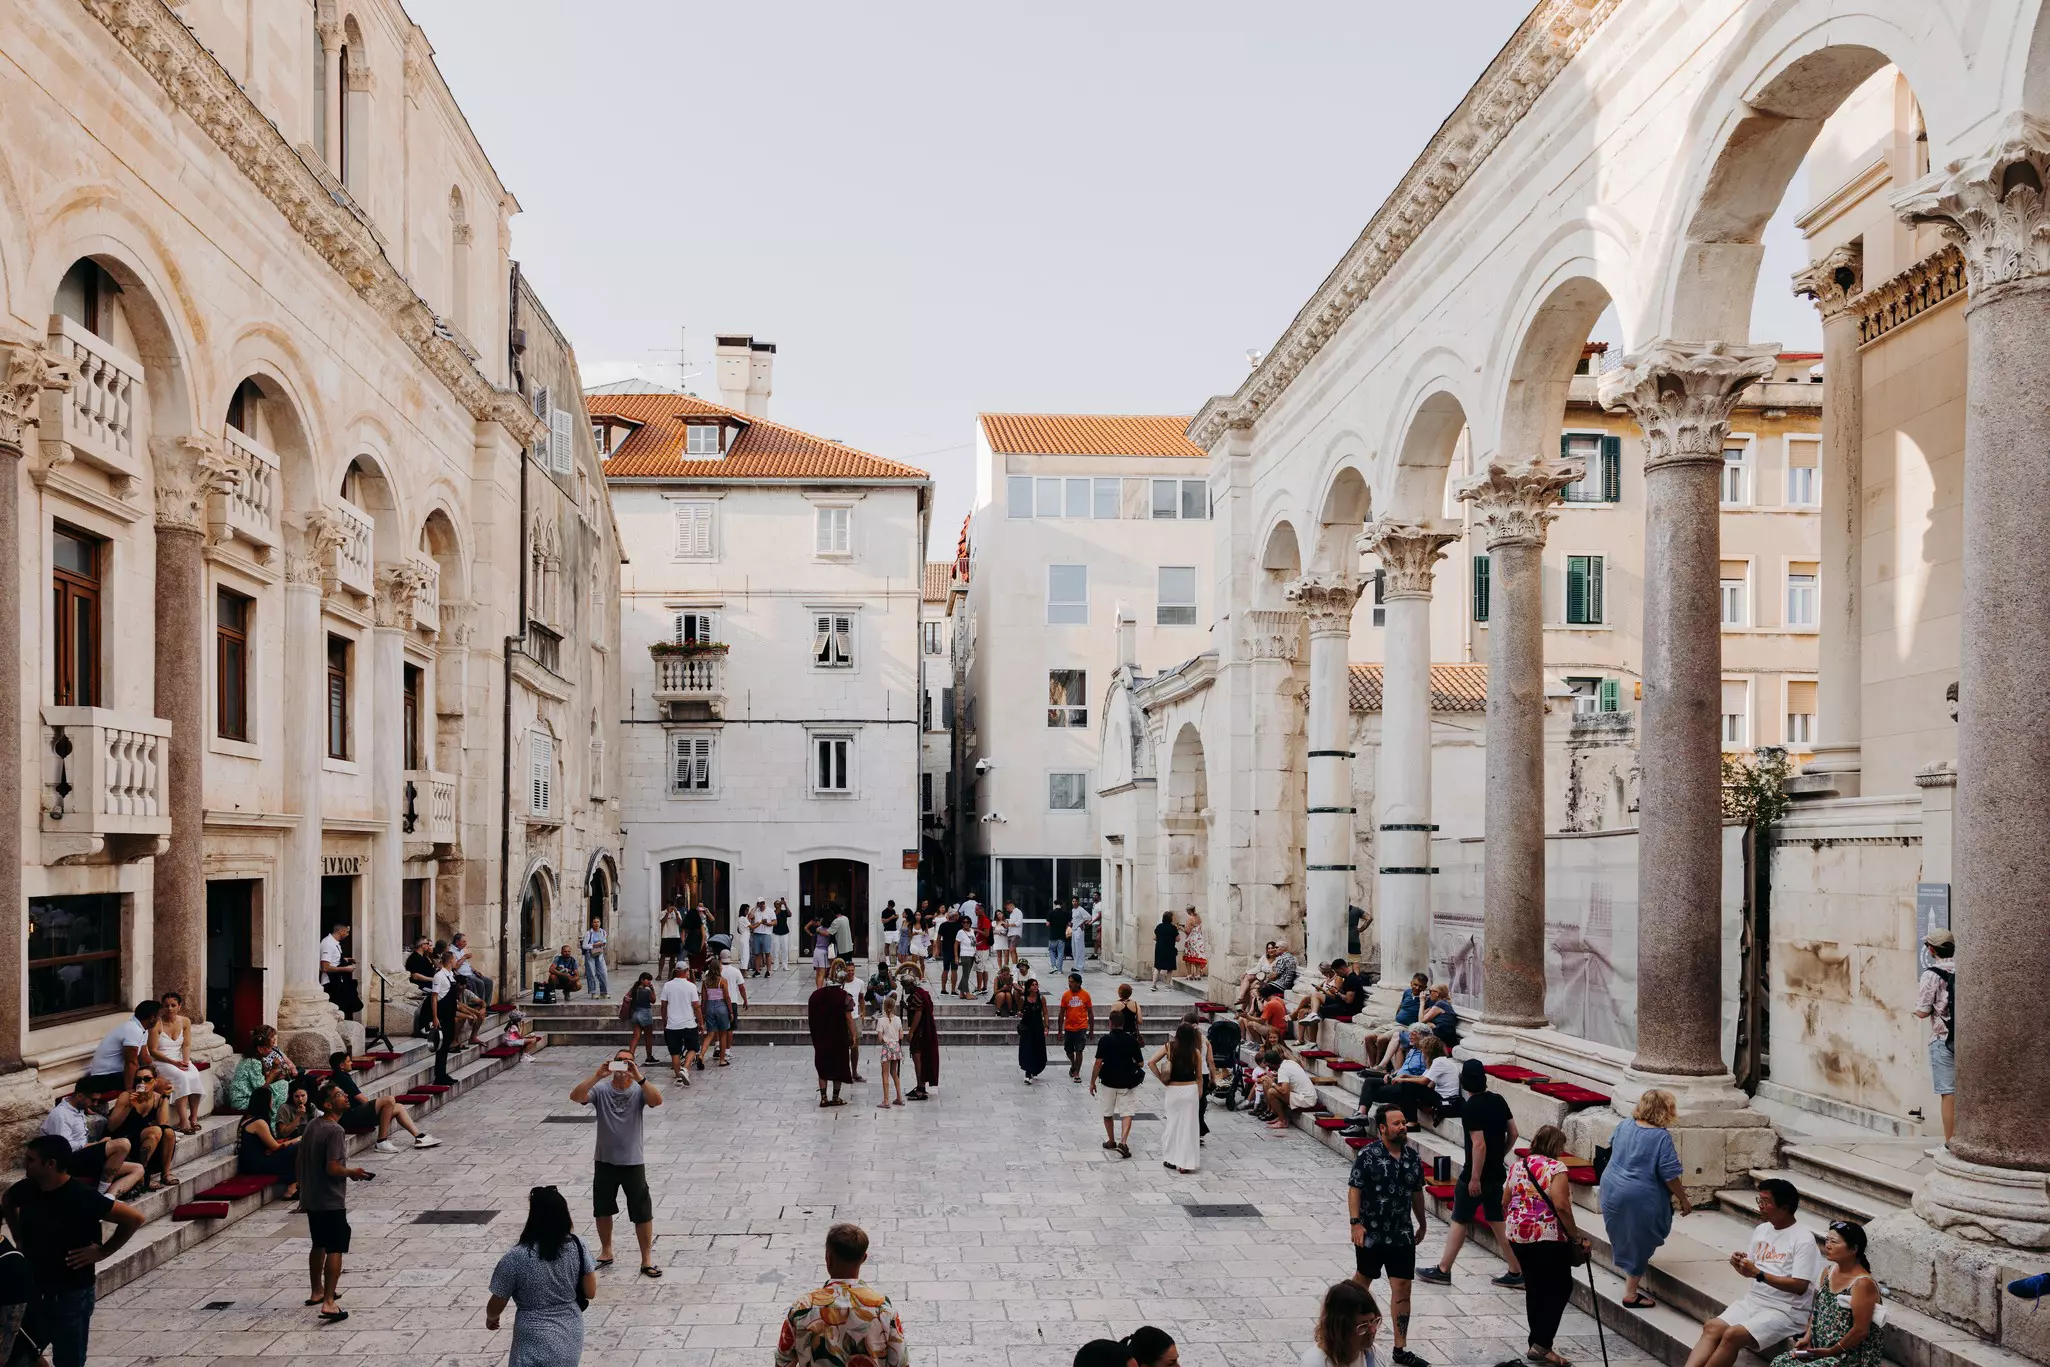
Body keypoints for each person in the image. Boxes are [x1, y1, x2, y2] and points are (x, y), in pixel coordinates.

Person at [3, 1135, 143, 1367]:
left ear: (51, 1164)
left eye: (31, 1160)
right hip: (35, 1287)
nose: (25, 1164)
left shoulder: (81, 1195)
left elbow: (133, 1219)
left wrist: (102, 1252)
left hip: (71, 1293)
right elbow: (7, 1201)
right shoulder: (27, 1189)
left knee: (69, 1359)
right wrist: (19, 1237)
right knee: (22, 1352)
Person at [1683, 1180, 1824, 1367]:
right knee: (1712, 1327)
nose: (1760, 1206)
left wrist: (1758, 1274)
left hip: (1786, 1311)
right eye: (1760, 1200)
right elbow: (1752, 1271)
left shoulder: (1803, 1239)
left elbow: (1799, 1286)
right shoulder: (1762, 1230)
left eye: (1766, 1202)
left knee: (1732, 1335)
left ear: (1784, 1208)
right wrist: (1740, 1264)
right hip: (1754, 1301)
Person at [1418, 1059, 1524, 1287]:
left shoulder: (1471, 1106)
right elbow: (1513, 1133)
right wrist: (1501, 1154)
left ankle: (1443, 1269)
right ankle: (1516, 1271)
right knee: (1496, 1219)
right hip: (1496, 1172)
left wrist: (1474, 1177)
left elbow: (1479, 1144)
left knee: (1459, 1218)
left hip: (1476, 1174)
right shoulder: (1498, 1100)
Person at [1346, 1104, 1429, 1367]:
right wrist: (1355, 1224)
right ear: (1382, 1128)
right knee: (1361, 1285)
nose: (1402, 1127)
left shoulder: (1413, 1157)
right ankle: (1345, 1334)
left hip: (1402, 1234)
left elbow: (1417, 1192)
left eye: (1404, 1122)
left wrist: (1422, 1222)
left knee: (1403, 1289)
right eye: (1396, 1123)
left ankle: (1400, 1348)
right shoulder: (1368, 1155)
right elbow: (1354, 1189)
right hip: (1371, 1233)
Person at [569, 1050, 663, 1278]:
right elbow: (576, 1096)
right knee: (602, 1208)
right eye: (619, 1061)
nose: (623, 1066)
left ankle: (646, 1258)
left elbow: (657, 1100)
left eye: (627, 1061)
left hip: (633, 1160)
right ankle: (606, 1251)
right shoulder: (601, 1089)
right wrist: (597, 1076)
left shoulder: (639, 1090)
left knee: (642, 1211)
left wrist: (638, 1076)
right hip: (605, 1160)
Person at [1505, 1124, 1593, 1367]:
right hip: (1546, 1236)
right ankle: (1542, 1345)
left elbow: (1505, 1199)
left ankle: (1538, 1342)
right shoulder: (1556, 1168)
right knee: (1560, 1286)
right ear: (1557, 1146)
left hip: (1517, 1235)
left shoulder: (1518, 1165)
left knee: (1535, 1286)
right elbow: (1562, 1205)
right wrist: (1575, 1237)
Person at [1599, 1088, 1693, 1307]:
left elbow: (1613, 1148)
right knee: (1641, 1237)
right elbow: (1669, 1175)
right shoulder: (1660, 1137)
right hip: (1638, 1194)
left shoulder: (1624, 1124)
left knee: (1626, 1231)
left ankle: (1628, 1265)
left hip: (1612, 1185)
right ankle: (1630, 1294)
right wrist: (1684, 1199)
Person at [486, 1184, 597, 1367]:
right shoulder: (578, 1246)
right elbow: (591, 1292)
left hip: (531, 1338)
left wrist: (491, 1317)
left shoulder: (516, 1257)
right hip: (568, 1335)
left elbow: (497, 1300)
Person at [774, 1222, 905, 1367]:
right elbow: (900, 1362)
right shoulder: (883, 1310)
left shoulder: (802, 1307)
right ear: (863, 1258)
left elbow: (783, 1361)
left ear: (828, 1258)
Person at [300, 1083, 372, 1321]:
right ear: (328, 1104)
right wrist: (352, 1171)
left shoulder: (312, 1125)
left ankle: (316, 1291)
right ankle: (329, 1302)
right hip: (330, 1199)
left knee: (318, 1243)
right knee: (335, 1247)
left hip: (312, 1196)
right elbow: (333, 1168)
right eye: (340, 1095)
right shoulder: (335, 1130)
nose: (347, 1097)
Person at [1769, 1221, 1883, 1367]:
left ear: (1854, 1249)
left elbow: (1861, 1330)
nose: (1827, 1245)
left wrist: (1831, 1351)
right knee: (1779, 1362)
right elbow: (1818, 1309)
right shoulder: (1828, 1272)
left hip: (1847, 1356)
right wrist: (1807, 1336)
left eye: (1834, 1242)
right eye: (1827, 1240)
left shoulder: (1862, 1284)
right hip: (1821, 1349)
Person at [324, 1050, 439, 1152]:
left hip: (353, 1114)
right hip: (348, 1116)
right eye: (349, 1061)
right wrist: (376, 1109)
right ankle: (381, 1141)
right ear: (341, 1065)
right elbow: (362, 1100)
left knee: (398, 1107)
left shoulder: (340, 1076)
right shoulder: (342, 1078)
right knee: (389, 1100)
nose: (352, 1063)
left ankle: (419, 1136)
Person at [40, 1090, 141, 1195]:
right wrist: (98, 1144)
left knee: (138, 1169)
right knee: (123, 1144)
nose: (95, 1104)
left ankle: (108, 1197)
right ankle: (101, 1193)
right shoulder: (61, 1115)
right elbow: (64, 1148)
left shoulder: (78, 1108)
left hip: (85, 1157)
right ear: (80, 1096)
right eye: (93, 1100)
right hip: (69, 1161)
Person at [1913, 928, 1956, 1150]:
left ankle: (1950, 1144)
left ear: (1931, 949)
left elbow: (1922, 1011)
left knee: (1948, 1093)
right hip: (1966, 1038)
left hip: (1942, 1037)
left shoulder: (1931, 974)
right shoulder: (1963, 969)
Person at [103, 1068, 176, 1190]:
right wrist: (129, 1106)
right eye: (138, 1080)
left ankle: (165, 1173)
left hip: (144, 1142)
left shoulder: (157, 1098)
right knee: (155, 1131)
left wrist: (165, 1096)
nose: (142, 1083)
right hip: (123, 1139)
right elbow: (111, 1127)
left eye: (147, 1079)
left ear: (155, 1081)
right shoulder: (126, 1096)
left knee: (168, 1132)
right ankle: (141, 1177)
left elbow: (163, 1123)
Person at [146, 991, 204, 1133]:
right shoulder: (156, 1024)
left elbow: (186, 1045)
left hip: (179, 1059)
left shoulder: (185, 1021)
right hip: (162, 1061)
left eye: (173, 1005)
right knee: (181, 1077)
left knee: (194, 1074)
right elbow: (152, 1050)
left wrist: (185, 1061)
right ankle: (183, 1121)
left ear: (179, 1006)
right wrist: (173, 1063)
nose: (170, 1009)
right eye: (166, 1006)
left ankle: (194, 1118)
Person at [1149, 1022, 1204, 1173]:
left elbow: (1151, 1062)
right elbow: (1199, 1076)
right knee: (1189, 1127)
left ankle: (1172, 1158)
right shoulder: (1196, 1052)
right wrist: (1199, 1092)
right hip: (1190, 1090)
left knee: (1173, 1125)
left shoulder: (1169, 1047)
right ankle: (1185, 1163)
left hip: (1173, 1089)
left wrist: (1162, 1079)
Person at [1091, 1007, 1146, 1158]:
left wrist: (1092, 1082)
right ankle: (1123, 1141)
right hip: (1127, 1081)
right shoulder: (1132, 1040)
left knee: (1107, 1113)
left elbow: (1098, 1063)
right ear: (1123, 1023)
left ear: (1110, 1023)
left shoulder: (1104, 1040)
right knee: (1127, 1112)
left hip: (1108, 1081)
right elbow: (1141, 1063)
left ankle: (1111, 1140)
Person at [78, 1000, 159, 1095]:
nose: (159, 1020)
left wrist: (156, 1074)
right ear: (152, 1018)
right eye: (158, 1016)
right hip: (104, 1077)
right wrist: (129, 1090)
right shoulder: (133, 1030)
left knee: (158, 1082)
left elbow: (145, 1058)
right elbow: (131, 1062)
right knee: (158, 1086)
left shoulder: (142, 1029)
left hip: (118, 1074)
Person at [1302, 1279, 1382, 1367]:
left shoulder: (1374, 1354)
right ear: (1341, 1328)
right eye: (1363, 1325)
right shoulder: (1314, 1363)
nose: (1372, 1330)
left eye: (1373, 1321)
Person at [809, 967, 858, 1106]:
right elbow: (849, 1018)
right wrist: (854, 1034)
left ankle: (823, 1098)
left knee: (822, 1066)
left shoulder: (816, 996)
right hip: (838, 1037)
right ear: (841, 984)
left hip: (822, 1037)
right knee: (839, 1065)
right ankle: (836, 1097)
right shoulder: (844, 996)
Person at [236, 1085, 300, 1190]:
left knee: (294, 1147)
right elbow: (275, 1147)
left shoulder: (247, 1118)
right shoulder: (259, 1123)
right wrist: (297, 1139)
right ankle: (291, 1188)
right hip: (255, 1165)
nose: (273, 1103)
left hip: (252, 1161)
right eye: (271, 1100)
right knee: (299, 1146)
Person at [657, 963, 702, 1083]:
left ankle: (678, 1076)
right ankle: (685, 1068)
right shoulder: (691, 986)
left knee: (675, 1052)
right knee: (693, 1048)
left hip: (672, 1024)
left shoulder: (667, 986)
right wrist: (701, 1022)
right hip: (689, 1024)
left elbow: (663, 1005)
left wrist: (664, 1020)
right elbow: (696, 1007)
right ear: (686, 971)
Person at [1262, 1048, 1319, 1130]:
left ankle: (1282, 1121)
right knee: (1269, 1084)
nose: (1268, 1067)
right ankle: (1279, 1116)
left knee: (1271, 1091)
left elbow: (1284, 1091)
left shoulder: (1283, 1069)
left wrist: (1272, 1083)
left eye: (1268, 1065)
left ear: (1272, 1063)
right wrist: (1275, 1077)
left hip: (1306, 1099)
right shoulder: (1289, 1062)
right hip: (1306, 1096)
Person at [431, 949, 462, 1085]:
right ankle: (439, 1076)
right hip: (443, 1014)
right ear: (450, 961)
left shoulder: (450, 975)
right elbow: (434, 998)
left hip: (450, 1014)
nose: (456, 961)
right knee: (442, 1046)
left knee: (447, 1044)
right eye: (455, 959)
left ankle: (443, 1073)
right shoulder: (439, 976)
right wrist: (435, 1017)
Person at [319, 923, 361, 1017]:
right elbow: (325, 967)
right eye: (347, 932)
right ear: (341, 931)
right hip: (331, 983)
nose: (347, 934)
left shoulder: (335, 943)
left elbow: (333, 959)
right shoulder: (328, 944)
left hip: (338, 981)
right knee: (338, 1008)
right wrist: (346, 969)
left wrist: (345, 960)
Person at [1059, 972, 1094, 1082]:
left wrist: (1091, 1030)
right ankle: (1073, 1064)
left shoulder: (1085, 995)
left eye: (1072, 982)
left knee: (1079, 1050)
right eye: (1069, 982)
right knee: (1069, 1051)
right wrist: (1059, 1030)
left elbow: (1090, 1013)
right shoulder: (1066, 995)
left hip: (1081, 1027)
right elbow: (1061, 1013)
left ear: (1078, 983)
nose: (1070, 984)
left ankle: (1077, 1073)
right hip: (1069, 1027)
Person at [700, 961, 735, 1067]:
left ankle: (701, 1055)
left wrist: (703, 1012)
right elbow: (727, 997)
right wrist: (731, 1011)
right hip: (721, 1006)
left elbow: (704, 999)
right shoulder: (722, 981)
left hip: (709, 1007)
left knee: (710, 1033)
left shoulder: (705, 982)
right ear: (718, 968)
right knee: (723, 1033)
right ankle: (722, 1059)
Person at [1018, 976, 1049, 1084]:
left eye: (1036, 984)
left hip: (1038, 1027)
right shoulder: (1023, 999)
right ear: (1028, 988)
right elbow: (1020, 1011)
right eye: (1033, 985)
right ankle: (1028, 1072)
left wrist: (1046, 1026)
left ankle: (1034, 1069)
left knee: (1038, 1049)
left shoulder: (1041, 999)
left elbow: (1045, 1012)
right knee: (1027, 1049)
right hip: (1027, 1027)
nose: (1035, 986)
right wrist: (1020, 1013)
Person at [407, 938, 441, 1034]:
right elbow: (415, 976)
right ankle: (425, 1025)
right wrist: (433, 979)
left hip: (429, 983)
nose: (430, 946)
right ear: (422, 945)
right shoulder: (414, 958)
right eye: (427, 944)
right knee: (434, 995)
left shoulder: (425, 958)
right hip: (421, 985)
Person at [622, 971, 657, 1064]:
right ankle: (649, 1057)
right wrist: (652, 989)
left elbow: (626, 997)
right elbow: (653, 1000)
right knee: (648, 1037)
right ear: (642, 980)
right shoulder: (647, 991)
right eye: (648, 980)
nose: (649, 982)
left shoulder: (633, 989)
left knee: (636, 1037)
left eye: (650, 980)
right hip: (645, 1014)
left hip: (635, 1014)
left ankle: (629, 1057)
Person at [876, 996, 905, 1108]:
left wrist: (885, 1040)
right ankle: (899, 1097)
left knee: (885, 1074)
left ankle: (886, 1100)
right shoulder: (898, 1020)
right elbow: (901, 1035)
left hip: (887, 1047)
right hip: (896, 1047)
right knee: (894, 1073)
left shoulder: (881, 1020)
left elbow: (880, 1038)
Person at [452, 930, 493, 1004]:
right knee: (480, 983)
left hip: (471, 973)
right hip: (464, 975)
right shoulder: (452, 951)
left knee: (489, 981)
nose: (466, 944)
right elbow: (455, 967)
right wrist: (464, 957)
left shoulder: (461, 950)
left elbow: (467, 964)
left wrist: (475, 971)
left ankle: (486, 1006)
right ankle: (479, 1006)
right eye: (463, 942)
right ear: (457, 942)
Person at [581, 916, 610, 998]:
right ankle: (593, 992)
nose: (596, 924)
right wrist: (594, 945)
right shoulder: (588, 933)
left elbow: (604, 942)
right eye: (594, 922)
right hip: (590, 955)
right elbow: (584, 945)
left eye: (598, 922)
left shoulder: (603, 932)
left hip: (599, 954)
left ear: (600, 923)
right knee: (591, 973)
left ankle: (604, 992)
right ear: (592, 923)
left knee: (603, 973)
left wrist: (602, 944)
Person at [1152, 911, 1180, 987]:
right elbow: (1178, 939)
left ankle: (1153, 985)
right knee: (1170, 968)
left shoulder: (1159, 927)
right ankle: (1167, 985)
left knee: (1158, 967)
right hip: (1170, 949)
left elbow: (1154, 938)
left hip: (1159, 949)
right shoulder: (1173, 928)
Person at [657, 902, 683, 981]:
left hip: (675, 936)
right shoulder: (662, 913)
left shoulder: (677, 912)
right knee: (663, 955)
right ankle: (659, 974)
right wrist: (667, 913)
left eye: (672, 906)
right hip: (666, 936)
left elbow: (680, 923)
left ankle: (670, 974)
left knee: (673, 956)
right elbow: (662, 923)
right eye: (669, 906)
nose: (670, 907)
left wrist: (676, 913)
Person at [1180, 907, 1209, 981]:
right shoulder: (1198, 917)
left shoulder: (1189, 918)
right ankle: (1197, 974)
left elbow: (1187, 931)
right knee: (1197, 956)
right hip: (1198, 939)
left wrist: (1180, 928)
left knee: (1188, 957)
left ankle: (1189, 974)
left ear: (1189, 910)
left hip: (1191, 939)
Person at [955, 915, 979, 999]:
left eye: (967, 922)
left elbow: (972, 942)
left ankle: (962, 992)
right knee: (966, 975)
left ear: (970, 923)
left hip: (972, 954)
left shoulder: (972, 931)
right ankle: (967, 993)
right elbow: (956, 945)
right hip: (965, 955)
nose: (966, 924)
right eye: (964, 922)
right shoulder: (960, 932)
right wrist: (956, 957)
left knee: (966, 974)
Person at [1047, 898, 1072, 975]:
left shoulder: (1051, 913)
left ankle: (1054, 966)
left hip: (1053, 936)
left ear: (1055, 904)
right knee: (1061, 953)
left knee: (1051, 951)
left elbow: (1047, 924)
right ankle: (1059, 970)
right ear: (1061, 905)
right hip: (1062, 936)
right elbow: (1069, 924)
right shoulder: (1065, 913)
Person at [752, 900, 777, 977]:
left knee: (767, 953)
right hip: (757, 933)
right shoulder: (756, 911)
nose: (761, 905)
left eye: (762, 903)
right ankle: (757, 971)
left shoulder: (770, 911)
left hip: (766, 934)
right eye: (760, 903)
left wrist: (768, 923)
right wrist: (755, 907)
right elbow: (750, 916)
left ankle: (768, 971)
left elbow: (775, 922)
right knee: (757, 953)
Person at [773, 897, 794, 972]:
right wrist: (779, 907)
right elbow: (776, 915)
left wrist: (785, 905)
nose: (779, 905)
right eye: (777, 904)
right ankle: (776, 965)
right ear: (775, 905)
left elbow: (790, 914)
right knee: (775, 949)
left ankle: (785, 965)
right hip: (776, 932)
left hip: (784, 932)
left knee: (785, 949)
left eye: (779, 904)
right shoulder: (773, 912)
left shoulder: (784, 912)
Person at [879, 901, 899, 970]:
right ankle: (887, 960)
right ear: (888, 905)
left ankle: (897, 960)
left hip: (894, 930)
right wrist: (891, 917)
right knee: (887, 945)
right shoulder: (884, 912)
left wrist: (896, 917)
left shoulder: (893, 910)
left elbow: (894, 920)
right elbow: (883, 921)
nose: (892, 908)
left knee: (897, 945)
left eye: (893, 907)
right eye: (891, 907)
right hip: (888, 931)